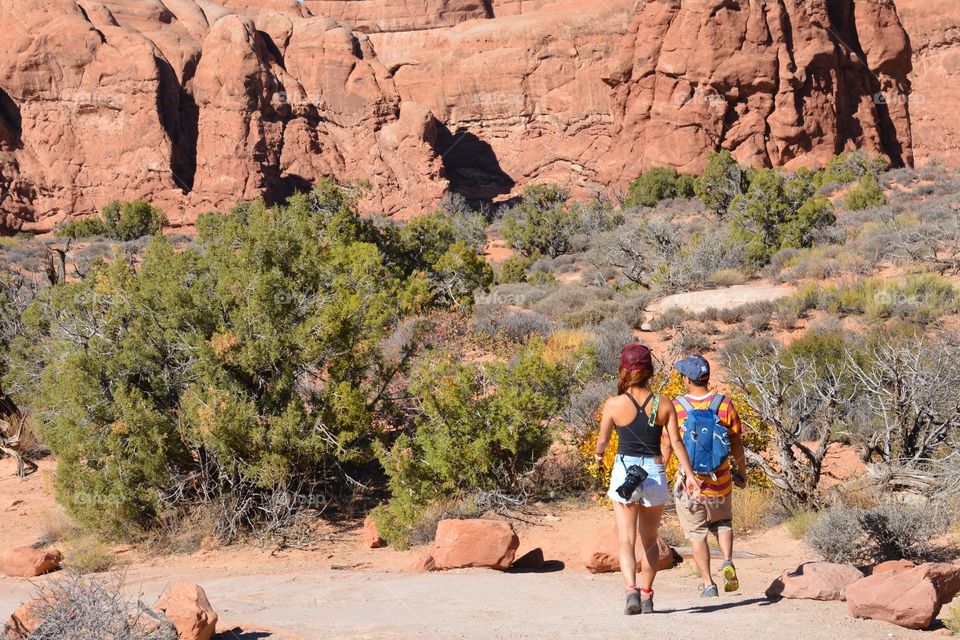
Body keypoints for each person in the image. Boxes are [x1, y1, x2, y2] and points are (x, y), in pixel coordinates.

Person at [595, 343, 700, 615]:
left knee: (626, 540)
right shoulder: (663, 403)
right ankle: (647, 595)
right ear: (649, 371)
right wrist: (689, 475)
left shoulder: (614, 404)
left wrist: (597, 455)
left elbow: (603, 441)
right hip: (653, 472)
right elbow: (676, 442)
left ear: (624, 369)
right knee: (650, 540)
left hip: (625, 471)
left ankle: (630, 590)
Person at [662, 354, 748, 598]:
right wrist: (741, 472)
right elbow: (736, 443)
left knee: (697, 535)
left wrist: (660, 472)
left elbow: (668, 444)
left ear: (687, 379)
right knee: (723, 524)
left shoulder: (677, 406)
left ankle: (709, 584)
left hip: (691, 486)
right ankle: (728, 561)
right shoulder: (724, 403)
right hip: (720, 482)